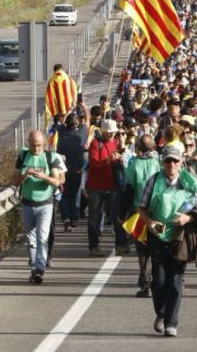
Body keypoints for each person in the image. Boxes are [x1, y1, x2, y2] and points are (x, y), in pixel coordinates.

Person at [138, 145, 197, 337]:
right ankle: (161, 314)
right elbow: (141, 208)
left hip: (181, 236)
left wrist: (188, 218)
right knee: (159, 281)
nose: (171, 164)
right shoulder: (154, 181)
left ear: (181, 163)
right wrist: (150, 223)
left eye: (175, 161)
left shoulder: (189, 181)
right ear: (162, 162)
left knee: (176, 280)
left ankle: (171, 322)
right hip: (158, 235)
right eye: (168, 161)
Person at [16, 130, 65, 284]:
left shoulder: (51, 157)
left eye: (39, 146)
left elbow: (57, 181)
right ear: (28, 143)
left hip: (45, 204)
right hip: (27, 203)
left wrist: (43, 176)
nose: (36, 149)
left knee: (42, 237)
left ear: (44, 144)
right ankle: (33, 268)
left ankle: (40, 269)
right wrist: (26, 175)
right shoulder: (23, 155)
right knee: (30, 239)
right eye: (33, 145)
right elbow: (15, 178)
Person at [84, 119, 128, 257]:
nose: (110, 135)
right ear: (102, 131)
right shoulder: (96, 144)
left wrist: (122, 155)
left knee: (117, 216)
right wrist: (108, 160)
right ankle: (94, 246)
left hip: (113, 185)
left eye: (112, 132)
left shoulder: (117, 143)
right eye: (108, 132)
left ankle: (120, 245)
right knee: (95, 217)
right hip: (97, 186)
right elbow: (94, 164)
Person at [125, 134, 161, 298]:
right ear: (153, 147)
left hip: (140, 210)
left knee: (142, 248)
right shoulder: (159, 162)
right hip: (159, 210)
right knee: (158, 247)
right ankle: (156, 281)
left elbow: (129, 186)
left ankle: (146, 282)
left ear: (138, 148)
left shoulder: (134, 164)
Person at [54, 113, 87, 232]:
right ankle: (74, 218)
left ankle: (66, 218)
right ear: (77, 123)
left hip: (62, 171)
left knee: (64, 195)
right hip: (77, 170)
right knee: (75, 195)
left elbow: (61, 123)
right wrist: (82, 108)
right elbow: (86, 122)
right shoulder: (80, 134)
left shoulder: (62, 132)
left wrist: (69, 109)